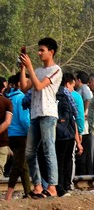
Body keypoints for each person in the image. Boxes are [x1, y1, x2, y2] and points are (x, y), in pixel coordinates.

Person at [20, 37, 63, 198]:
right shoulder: (37, 70)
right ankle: (37, 186)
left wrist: (30, 66)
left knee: (48, 149)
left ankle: (52, 187)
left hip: (48, 114)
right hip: (35, 114)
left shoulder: (56, 70)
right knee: (30, 152)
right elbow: (25, 88)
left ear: (51, 52)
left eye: (42, 50)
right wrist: (24, 68)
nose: (39, 53)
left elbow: (39, 86)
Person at [4, 74, 31, 200]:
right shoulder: (21, 98)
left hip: (10, 135)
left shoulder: (8, 98)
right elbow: (24, 119)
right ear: (20, 83)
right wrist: (30, 133)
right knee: (18, 165)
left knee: (22, 164)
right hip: (21, 135)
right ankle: (9, 195)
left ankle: (28, 192)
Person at [54, 72, 81, 195]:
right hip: (66, 132)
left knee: (60, 160)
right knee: (66, 160)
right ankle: (64, 186)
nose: (73, 89)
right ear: (67, 84)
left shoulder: (54, 93)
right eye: (72, 86)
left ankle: (60, 185)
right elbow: (74, 114)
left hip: (58, 131)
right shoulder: (65, 95)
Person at [71, 72, 90, 187]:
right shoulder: (81, 90)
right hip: (80, 125)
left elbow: (88, 99)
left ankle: (82, 175)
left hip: (82, 127)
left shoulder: (83, 88)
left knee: (81, 154)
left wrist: (84, 112)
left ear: (78, 80)